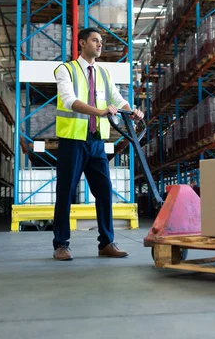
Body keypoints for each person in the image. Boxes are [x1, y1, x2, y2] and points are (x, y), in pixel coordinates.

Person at [52, 27, 144, 261]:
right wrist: (100, 111)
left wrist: (131, 110)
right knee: (65, 193)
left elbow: (116, 98)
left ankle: (106, 243)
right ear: (82, 44)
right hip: (72, 141)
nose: (100, 44)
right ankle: (61, 245)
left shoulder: (103, 73)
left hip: (96, 143)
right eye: (95, 40)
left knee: (104, 192)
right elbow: (69, 100)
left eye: (101, 41)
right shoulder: (66, 70)